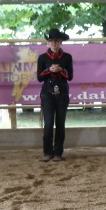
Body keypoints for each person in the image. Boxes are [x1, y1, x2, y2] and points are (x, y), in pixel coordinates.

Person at [36, 28, 74, 162]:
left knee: (60, 123)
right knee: (48, 123)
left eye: (57, 41)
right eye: (52, 41)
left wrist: (61, 70)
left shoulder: (67, 57)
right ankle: (47, 152)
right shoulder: (42, 58)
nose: (54, 43)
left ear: (60, 42)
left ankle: (58, 152)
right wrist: (48, 70)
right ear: (48, 43)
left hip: (62, 92)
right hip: (47, 93)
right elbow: (39, 78)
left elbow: (70, 77)